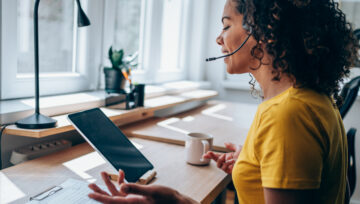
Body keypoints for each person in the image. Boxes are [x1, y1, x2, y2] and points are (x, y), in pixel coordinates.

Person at [88, 0, 359, 203]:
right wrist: (256, 161)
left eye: (227, 25)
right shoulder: (317, 100)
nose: (219, 38)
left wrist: (180, 200)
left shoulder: (287, 116)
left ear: (266, 31)